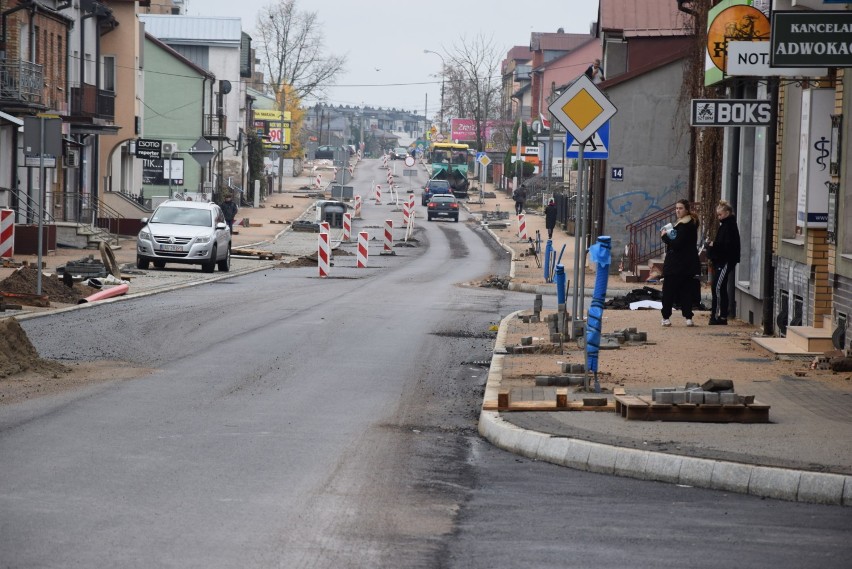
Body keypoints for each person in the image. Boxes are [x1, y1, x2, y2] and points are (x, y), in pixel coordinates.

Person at [660, 199, 700, 327]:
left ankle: (666, 317)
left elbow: (677, 244)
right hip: (687, 264)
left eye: (680, 208)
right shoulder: (689, 224)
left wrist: (664, 237)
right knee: (686, 291)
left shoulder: (684, 225)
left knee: (669, 291)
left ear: (687, 209)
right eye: (676, 208)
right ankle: (688, 317)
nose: (678, 210)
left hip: (676, 264)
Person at [706, 200, 741, 325]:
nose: (718, 217)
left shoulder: (730, 226)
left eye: (720, 214)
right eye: (718, 215)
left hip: (725, 260)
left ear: (727, 213)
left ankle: (715, 316)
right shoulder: (725, 225)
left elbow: (728, 245)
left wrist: (713, 244)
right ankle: (722, 316)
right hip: (721, 260)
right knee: (720, 288)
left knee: (717, 287)